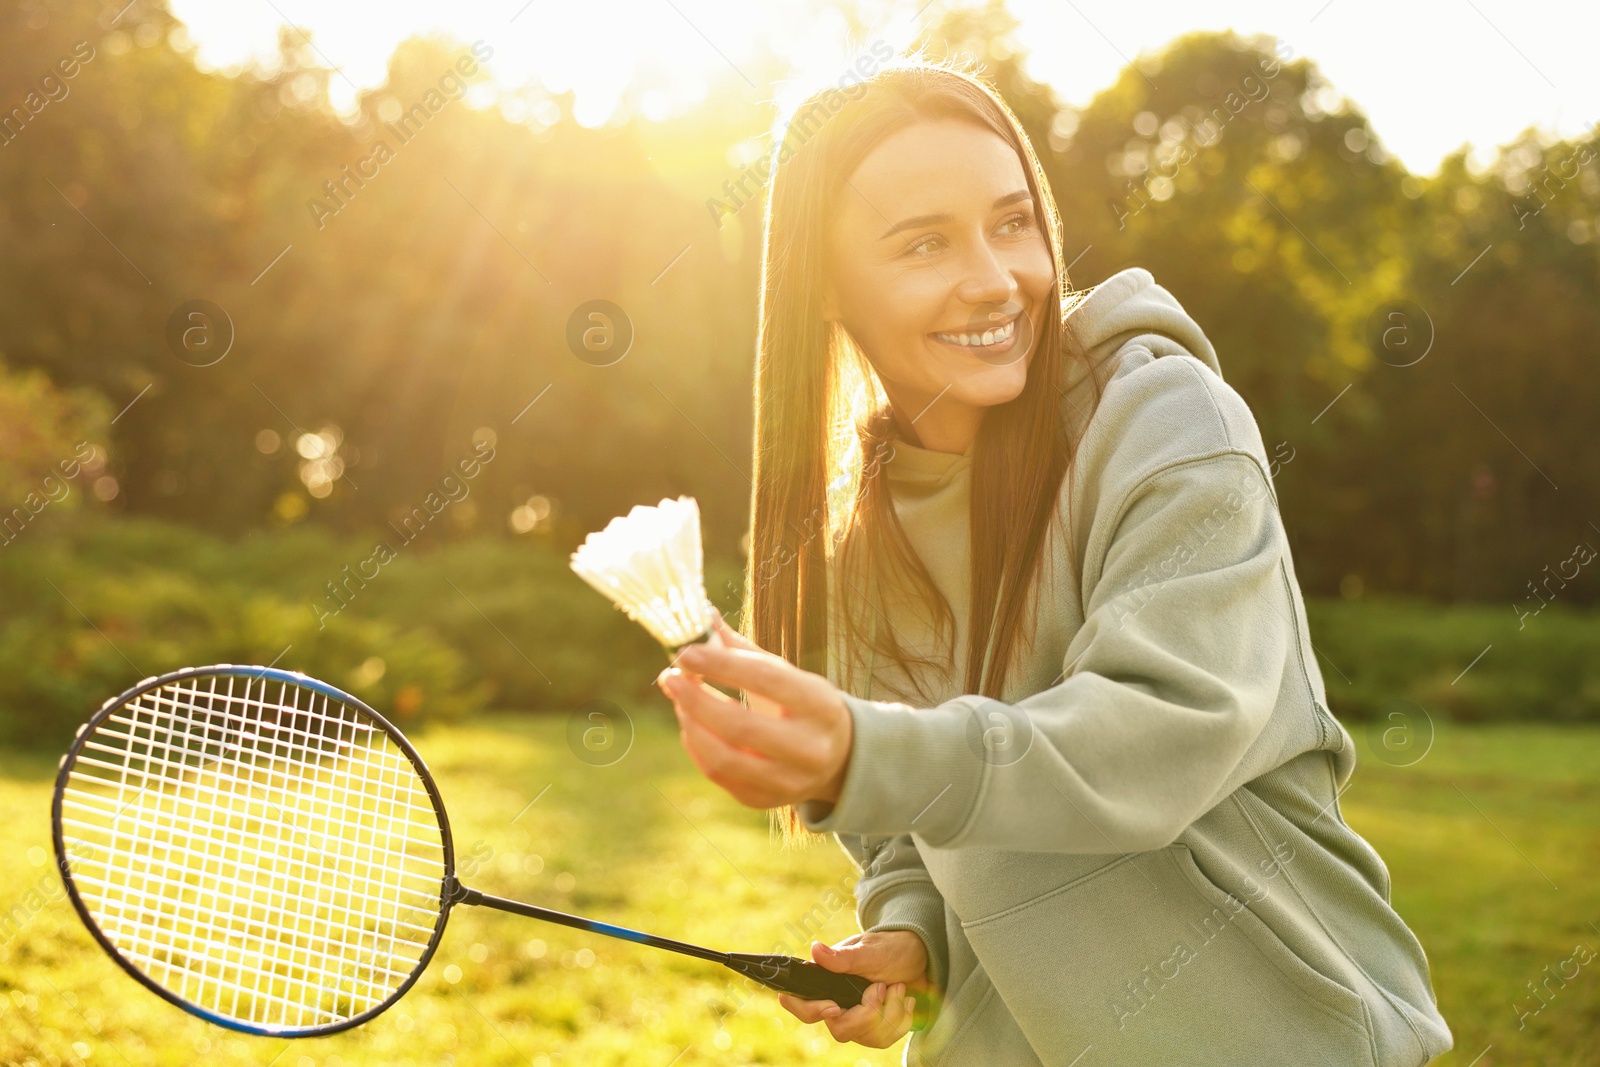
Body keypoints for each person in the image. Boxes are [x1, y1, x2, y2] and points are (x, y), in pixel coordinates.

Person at [655, 56, 1452, 1067]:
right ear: (823, 285)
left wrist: (866, 752)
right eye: (923, 243)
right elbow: (914, 827)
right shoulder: (858, 540)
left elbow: (1159, 734)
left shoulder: (1167, 423)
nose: (995, 278)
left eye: (1011, 221)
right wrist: (914, 933)